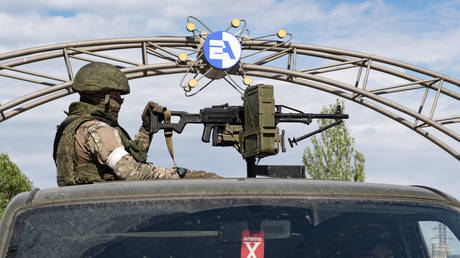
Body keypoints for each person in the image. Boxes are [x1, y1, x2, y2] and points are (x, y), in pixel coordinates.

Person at [53, 62, 220, 186]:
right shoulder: (97, 129)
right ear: (103, 97)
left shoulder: (71, 126)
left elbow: (126, 160)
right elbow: (132, 173)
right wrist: (184, 176)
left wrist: (146, 129)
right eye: (117, 95)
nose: (121, 100)